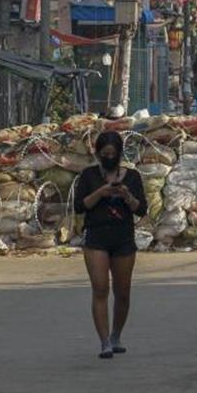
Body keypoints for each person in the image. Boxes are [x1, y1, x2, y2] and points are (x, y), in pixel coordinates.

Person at [73, 131, 148, 359]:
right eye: (104, 154)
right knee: (100, 288)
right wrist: (101, 192)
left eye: (112, 154)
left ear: (119, 154)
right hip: (96, 236)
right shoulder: (88, 176)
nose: (108, 158)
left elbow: (141, 209)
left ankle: (116, 334)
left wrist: (127, 196)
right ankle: (104, 341)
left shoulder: (132, 177)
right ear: (97, 153)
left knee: (122, 292)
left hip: (123, 237)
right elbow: (80, 206)